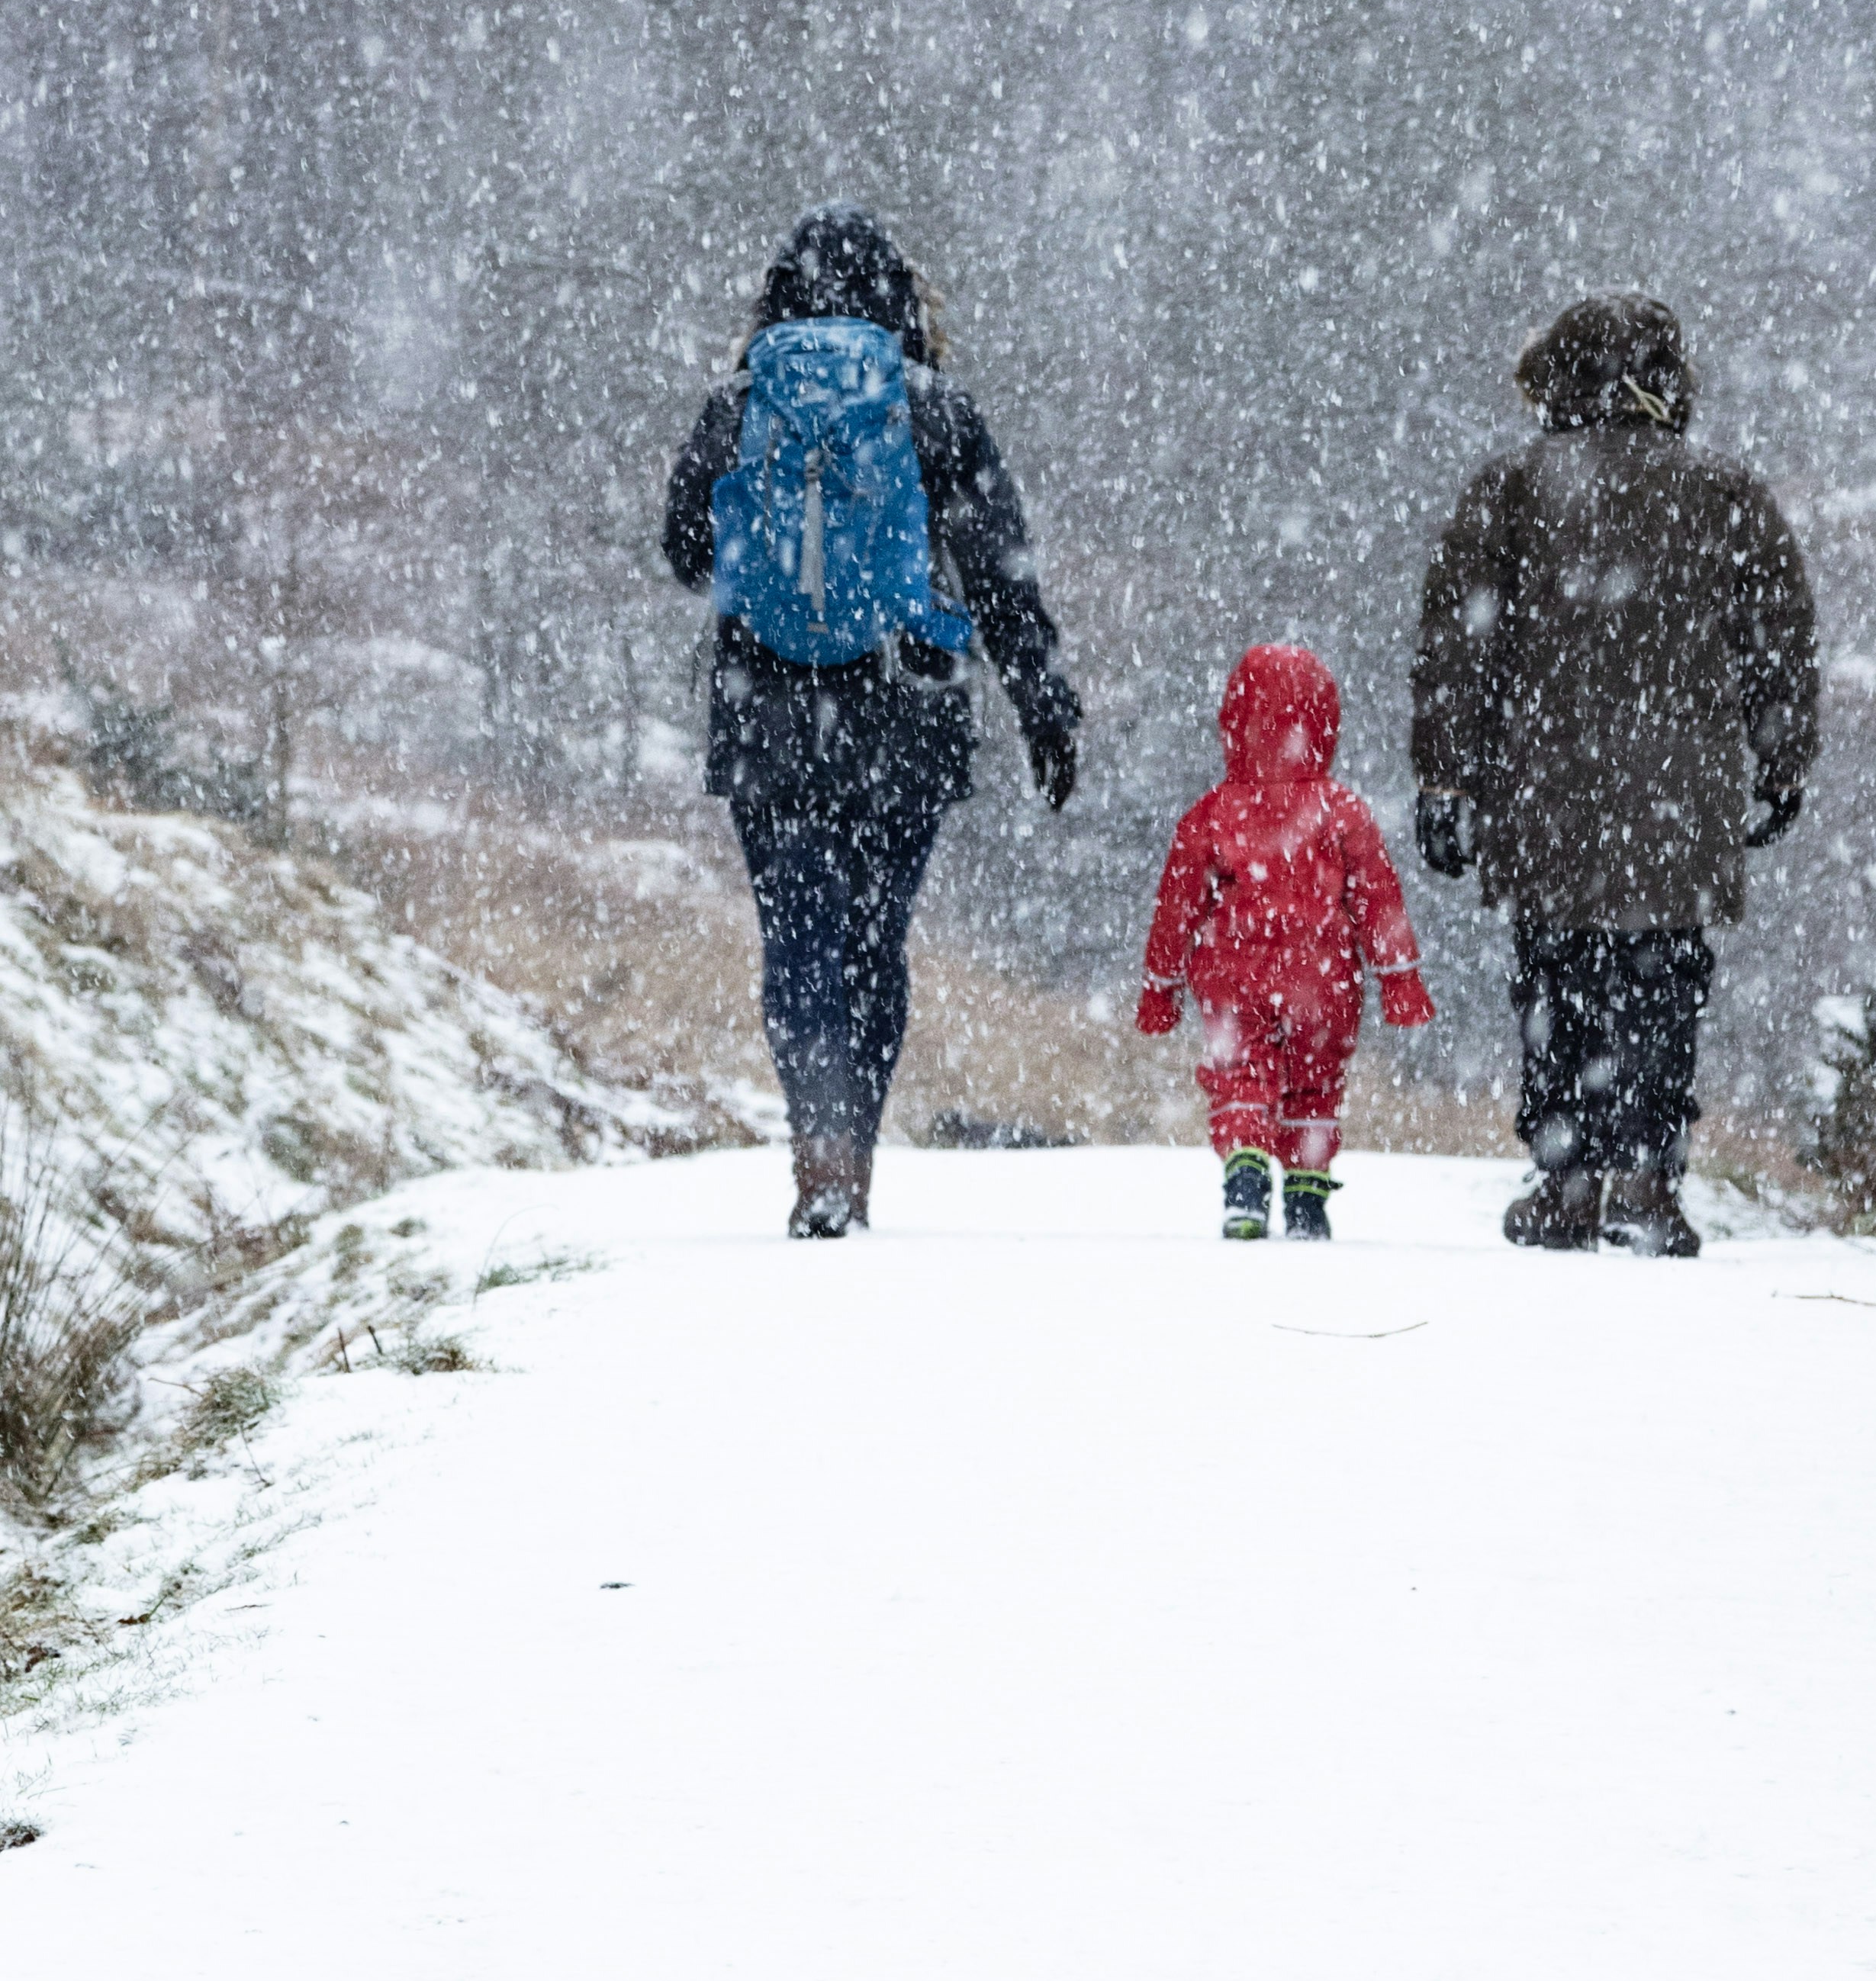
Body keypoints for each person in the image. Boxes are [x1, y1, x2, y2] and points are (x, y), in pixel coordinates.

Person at [663, 207, 1080, 1238]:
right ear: (901, 298)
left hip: (766, 716)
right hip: (906, 712)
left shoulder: (741, 402)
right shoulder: (932, 409)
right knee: (872, 941)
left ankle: (819, 1153)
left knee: (797, 938)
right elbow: (998, 571)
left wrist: (773, 561)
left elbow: (681, 547)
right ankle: (857, 1143)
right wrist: (1043, 703)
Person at [1411, 294, 1817, 1257]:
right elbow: (1778, 643)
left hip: (1545, 784)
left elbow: (1455, 647)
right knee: (1665, 984)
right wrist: (1782, 761)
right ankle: (1646, 1177)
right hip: (1680, 796)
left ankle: (1568, 1175)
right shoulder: (1724, 492)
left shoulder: (1511, 488)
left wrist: (1447, 781)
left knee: (1557, 977)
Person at [1137, 643, 1435, 1243]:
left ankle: (1244, 1181)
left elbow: (1178, 909)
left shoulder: (1212, 814)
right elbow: (1379, 901)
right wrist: (1398, 980)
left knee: (1239, 1077)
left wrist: (1160, 988)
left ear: (1234, 721)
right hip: (1322, 982)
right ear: (1325, 723)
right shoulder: (1342, 811)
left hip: (1232, 977)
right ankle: (1306, 1197)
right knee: (1314, 1081)